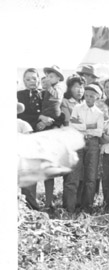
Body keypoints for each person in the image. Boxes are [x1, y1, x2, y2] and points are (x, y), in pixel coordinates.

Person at [67, 83, 104, 213]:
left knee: (90, 176)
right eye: (87, 95)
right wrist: (90, 126)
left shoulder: (99, 113)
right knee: (74, 175)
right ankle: (69, 207)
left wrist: (82, 126)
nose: (88, 98)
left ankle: (86, 207)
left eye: (92, 96)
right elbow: (72, 125)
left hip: (93, 143)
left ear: (97, 97)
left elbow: (99, 132)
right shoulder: (77, 108)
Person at [39, 65, 67, 210]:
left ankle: (58, 200)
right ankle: (48, 201)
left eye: (52, 76)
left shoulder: (59, 88)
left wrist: (48, 86)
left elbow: (56, 96)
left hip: (55, 126)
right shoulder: (44, 92)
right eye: (47, 76)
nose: (49, 79)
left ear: (58, 78)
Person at [17, 68, 43, 210]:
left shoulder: (45, 95)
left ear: (39, 79)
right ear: (24, 81)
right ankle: (26, 204)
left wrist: (45, 121)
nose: (31, 81)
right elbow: (21, 115)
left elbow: (53, 112)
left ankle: (32, 203)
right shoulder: (19, 95)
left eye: (34, 78)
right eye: (28, 79)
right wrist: (39, 118)